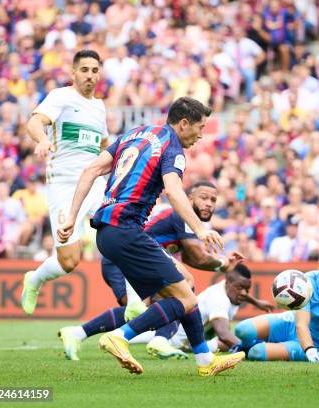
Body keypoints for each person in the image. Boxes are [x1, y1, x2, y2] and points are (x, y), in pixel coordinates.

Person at [57, 96, 245, 376]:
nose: (201, 135)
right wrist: (201, 229)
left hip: (106, 233)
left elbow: (91, 170)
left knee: (181, 293)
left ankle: (205, 362)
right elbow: (173, 191)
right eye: (200, 127)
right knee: (186, 297)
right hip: (128, 229)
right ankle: (120, 337)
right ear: (184, 124)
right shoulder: (173, 147)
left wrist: (72, 217)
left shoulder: (135, 134)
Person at [57, 180, 252, 360]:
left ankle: (77, 333)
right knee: (180, 292)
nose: (209, 203)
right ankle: (165, 342)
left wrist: (222, 263)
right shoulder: (181, 213)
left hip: (124, 255)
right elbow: (197, 256)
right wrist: (222, 264)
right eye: (203, 197)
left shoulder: (185, 219)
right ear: (189, 198)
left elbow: (189, 257)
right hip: (124, 255)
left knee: (150, 307)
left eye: (213, 200)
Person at [21, 50, 109, 315]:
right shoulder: (61, 96)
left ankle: (134, 300)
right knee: (69, 261)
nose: (90, 76)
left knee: (122, 229)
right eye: (84, 70)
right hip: (64, 185)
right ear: (73, 73)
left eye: (95, 70)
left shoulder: (100, 107)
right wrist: (43, 139)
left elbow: (103, 143)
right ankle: (34, 280)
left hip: (94, 184)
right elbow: (35, 122)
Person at [234, 245, 319, 363]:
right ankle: (237, 346)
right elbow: (301, 324)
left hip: (315, 345)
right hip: (290, 324)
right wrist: (310, 351)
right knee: (242, 330)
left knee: (256, 353)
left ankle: (243, 348)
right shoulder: (306, 282)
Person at [131, 264, 274, 355]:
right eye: (240, 288)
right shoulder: (219, 300)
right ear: (228, 282)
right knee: (229, 340)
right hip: (174, 340)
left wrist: (256, 302)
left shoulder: (230, 289)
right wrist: (250, 349)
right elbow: (223, 334)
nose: (243, 293)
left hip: (192, 340)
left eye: (247, 289)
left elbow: (241, 292)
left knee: (229, 342)